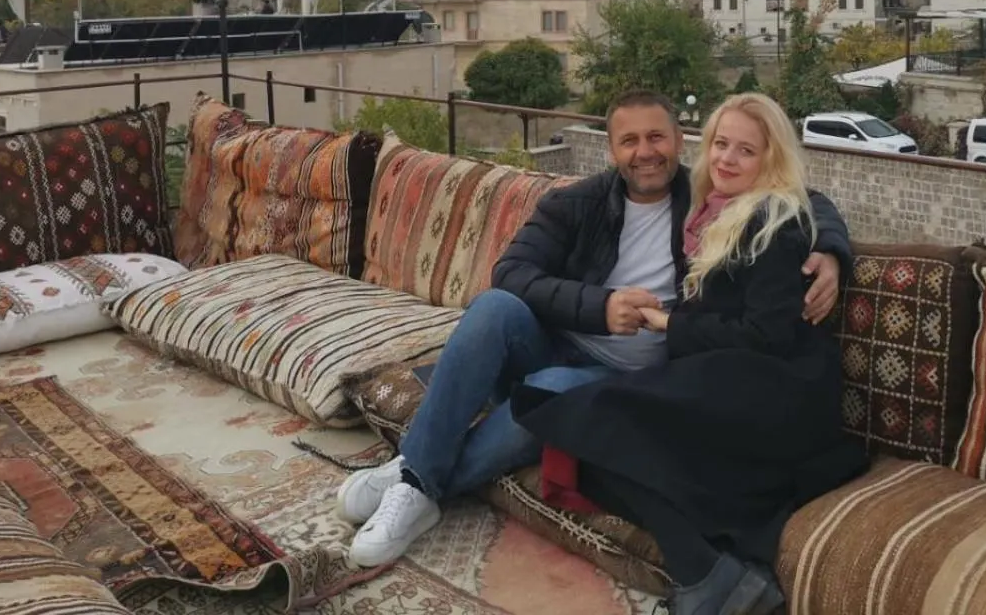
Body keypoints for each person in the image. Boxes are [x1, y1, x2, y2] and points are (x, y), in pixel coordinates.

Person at [337, 88, 854, 569]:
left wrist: (830, 251)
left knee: (551, 394)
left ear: (677, 141)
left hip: (627, 380)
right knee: (495, 307)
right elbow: (511, 273)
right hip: (555, 342)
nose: (645, 152)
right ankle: (418, 476)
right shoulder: (575, 204)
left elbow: (800, 196)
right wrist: (599, 308)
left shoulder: (702, 196)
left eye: (656, 137)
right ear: (611, 150)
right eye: (629, 140)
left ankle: (415, 480)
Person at [513, 93, 869, 615]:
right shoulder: (709, 211)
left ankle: (704, 574)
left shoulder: (775, 222)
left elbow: (766, 336)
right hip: (730, 376)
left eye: (746, 151)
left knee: (589, 422)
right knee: (585, 435)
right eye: (721, 144)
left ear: (770, 160)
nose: (727, 159)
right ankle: (706, 573)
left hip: (777, 391)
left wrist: (669, 324)